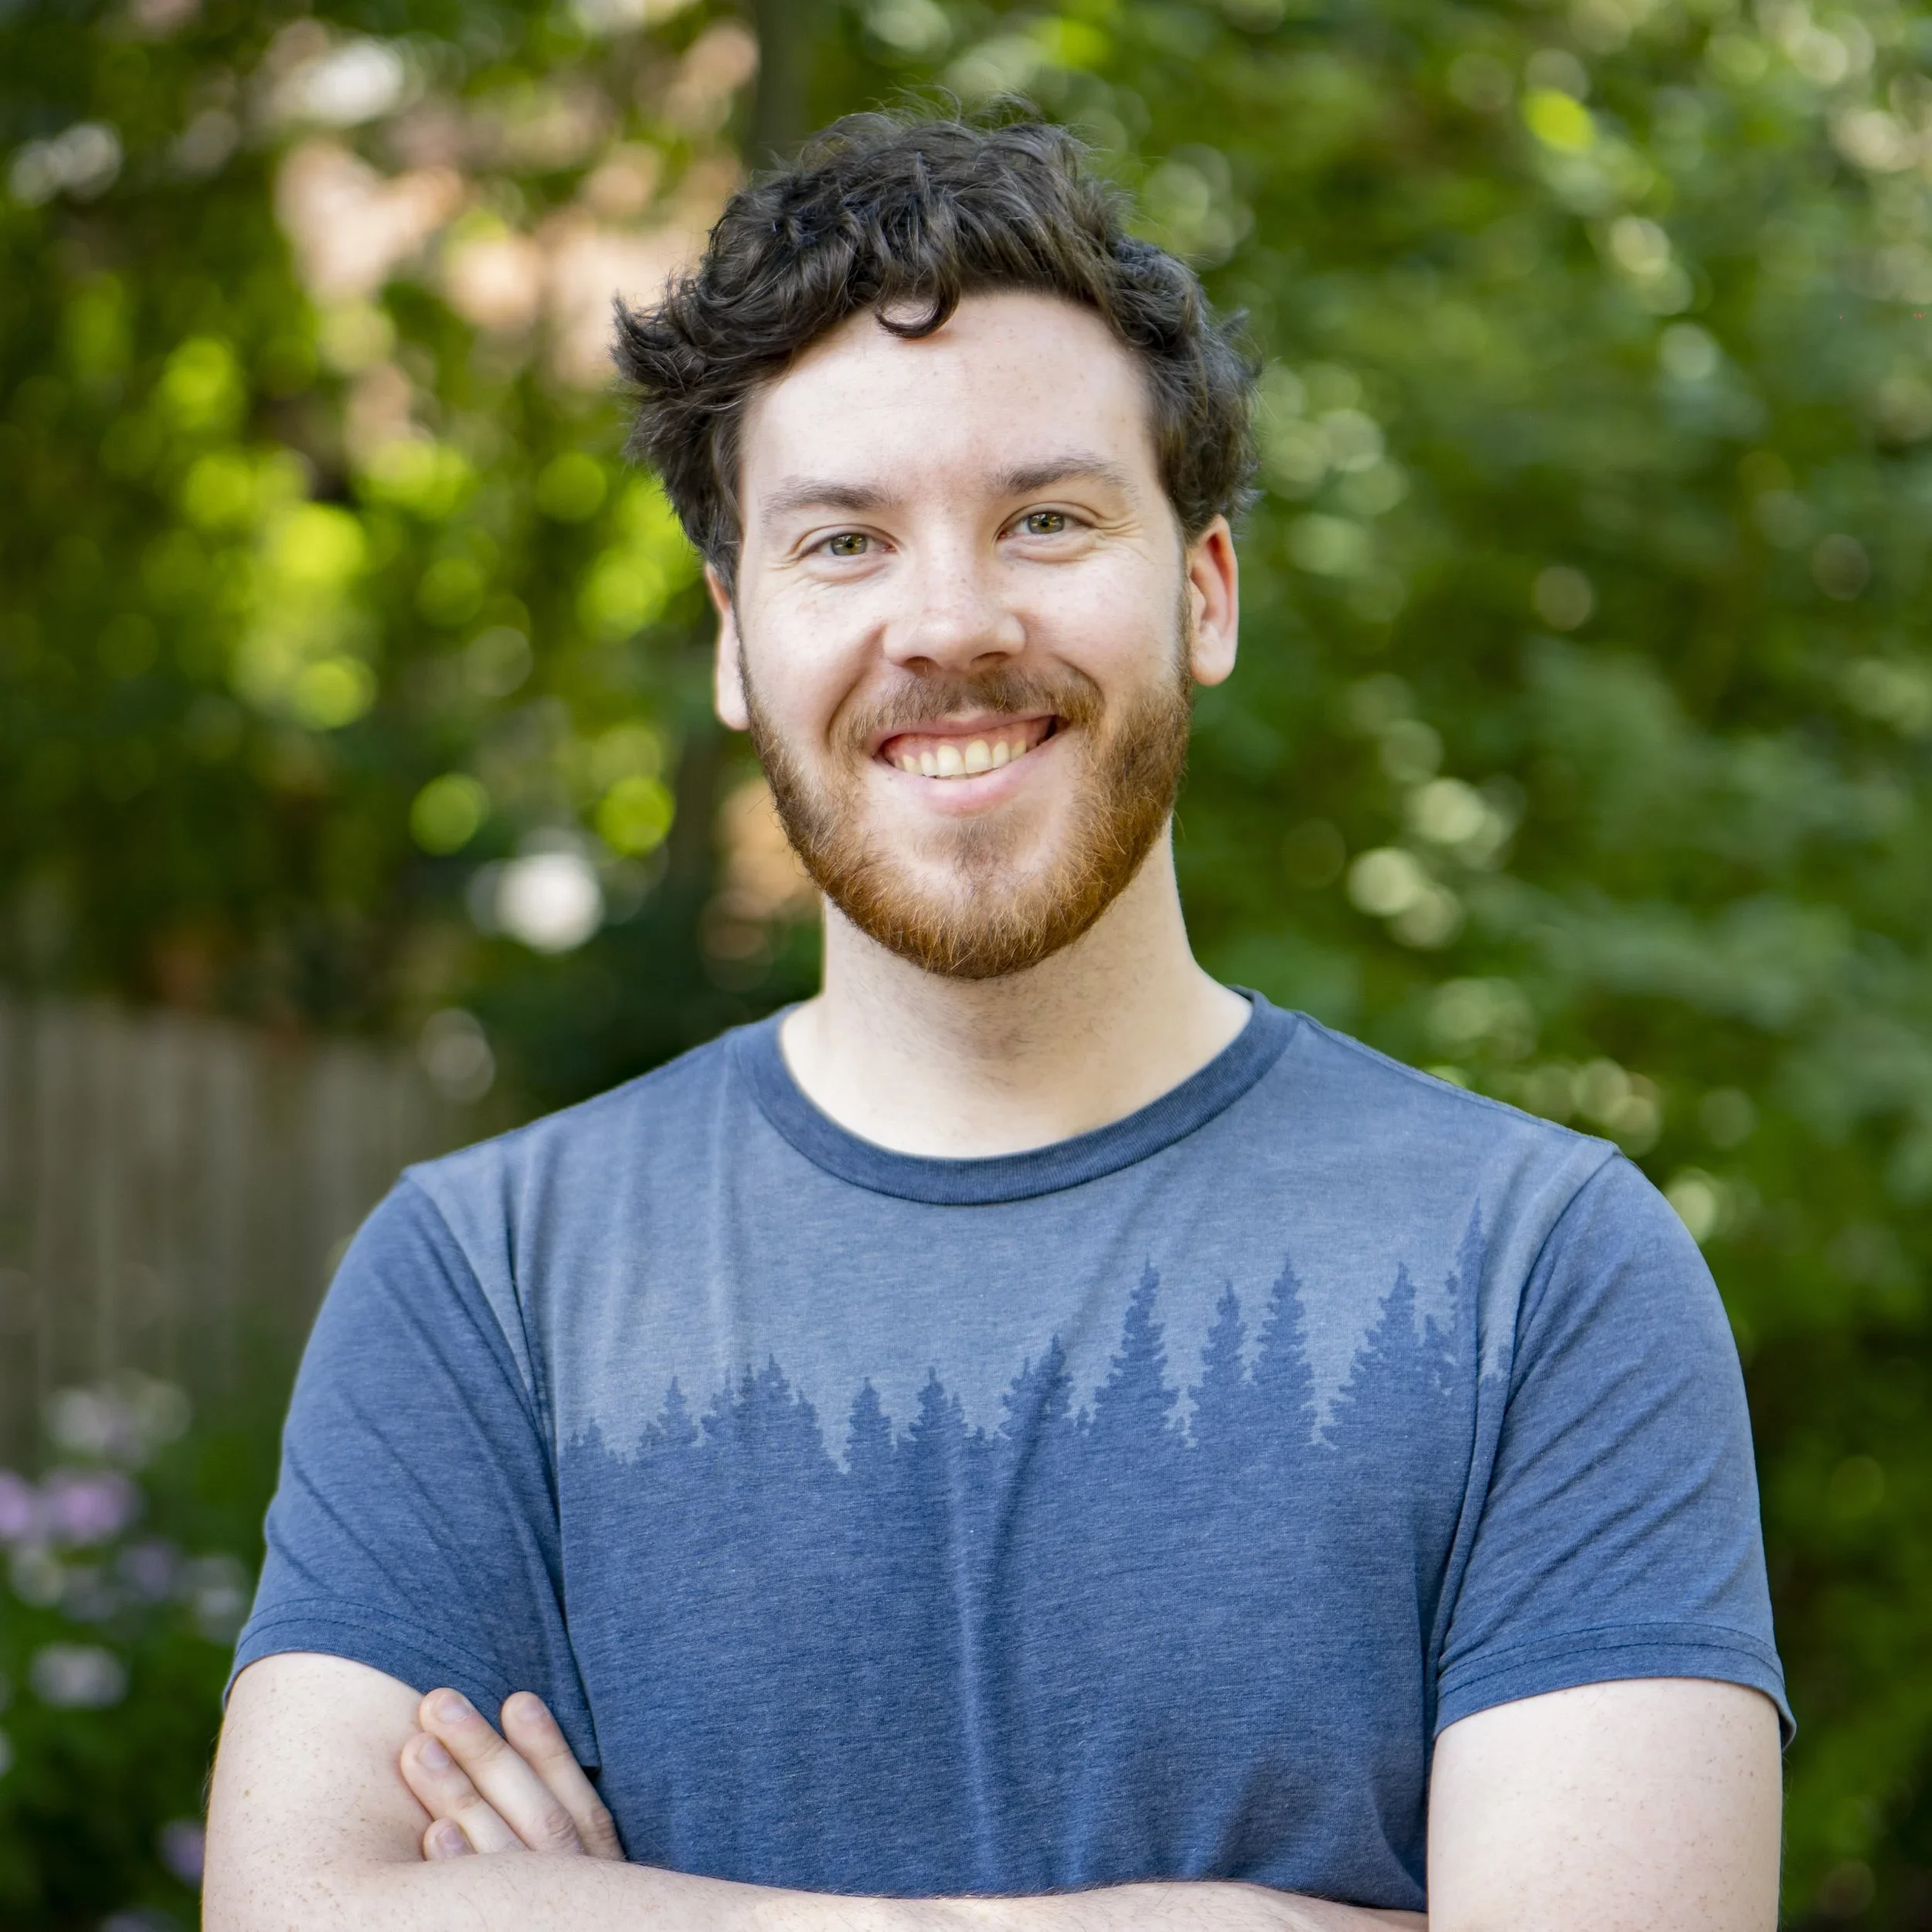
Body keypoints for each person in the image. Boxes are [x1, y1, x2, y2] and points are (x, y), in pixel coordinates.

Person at [204, 114, 1788, 1931]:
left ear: (1201, 591)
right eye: (844, 542)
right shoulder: (486, 1288)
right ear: (734, 639)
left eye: (1043, 518)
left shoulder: (1543, 1275)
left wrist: (640, 1909)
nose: (946, 621)